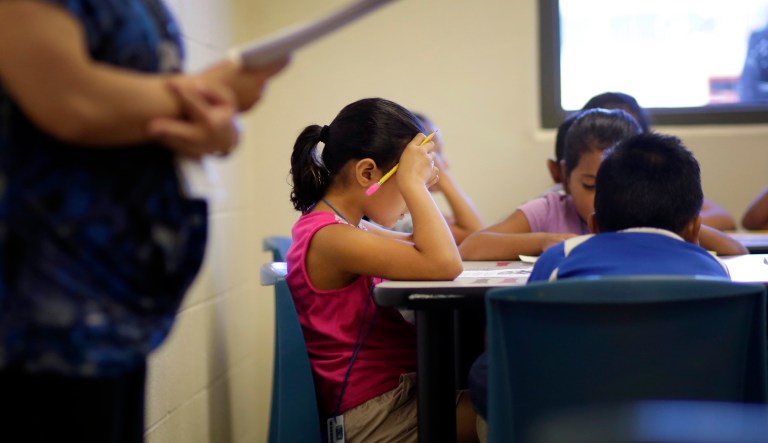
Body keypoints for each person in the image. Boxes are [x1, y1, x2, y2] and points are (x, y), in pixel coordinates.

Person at [0, 1, 288, 442]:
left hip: (114, 314)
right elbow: (68, 98)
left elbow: (134, 111)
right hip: (40, 316)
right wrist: (215, 91)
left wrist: (219, 127)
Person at [468, 132, 731, 443]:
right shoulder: (713, 271)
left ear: (593, 225)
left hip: (572, 413)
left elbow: (517, 345)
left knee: (488, 368)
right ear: (695, 227)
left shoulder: (559, 258)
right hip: (682, 416)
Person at [286, 97, 477, 443]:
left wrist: (413, 182)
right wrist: (415, 185)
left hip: (392, 399)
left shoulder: (345, 226)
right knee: (513, 411)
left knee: (502, 398)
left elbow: (428, 248)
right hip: (374, 418)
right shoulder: (331, 237)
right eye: (401, 182)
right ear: (368, 173)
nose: (407, 198)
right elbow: (444, 263)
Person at [459, 108, 642, 260]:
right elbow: (470, 247)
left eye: (618, 186)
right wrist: (541, 241)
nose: (603, 200)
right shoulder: (549, 211)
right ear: (565, 176)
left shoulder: (648, 211)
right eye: (590, 185)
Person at [581, 91, 737, 231]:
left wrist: (670, 226)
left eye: (629, 136)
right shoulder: (559, 205)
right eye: (589, 185)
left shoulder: (655, 184)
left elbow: (723, 218)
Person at [391, 112, 484, 244]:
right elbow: (475, 236)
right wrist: (444, 178)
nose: (446, 164)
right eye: (436, 152)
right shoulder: (396, 216)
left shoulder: (404, 212)